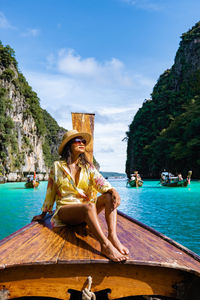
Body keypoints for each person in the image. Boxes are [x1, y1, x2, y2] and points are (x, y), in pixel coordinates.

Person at [32, 129, 129, 262]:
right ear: (69, 145)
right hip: (65, 211)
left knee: (108, 197)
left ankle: (112, 236)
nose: (82, 143)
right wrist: (43, 215)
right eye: (78, 141)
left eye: (83, 141)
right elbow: (50, 192)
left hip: (85, 211)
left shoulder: (87, 167)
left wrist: (113, 191)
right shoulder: (57, 167)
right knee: (88, 207)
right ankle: (105, 245)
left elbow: (102, 183)